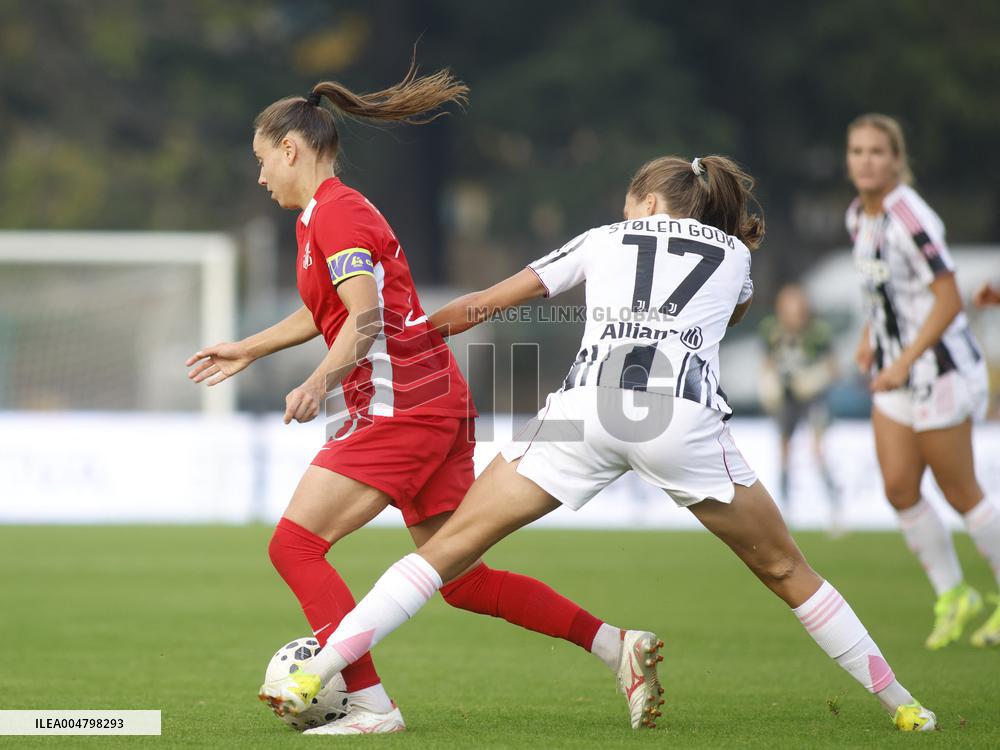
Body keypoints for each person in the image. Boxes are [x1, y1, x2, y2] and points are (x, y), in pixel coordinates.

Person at [263, 155, 938, 732]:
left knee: (445, 553)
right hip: (679, 417)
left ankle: (319, 673)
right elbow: (726, 315)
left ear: (648, 204)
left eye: (629, 204)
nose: (625, 213)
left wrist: (420, 333)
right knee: (787, 569)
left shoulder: (604, 239)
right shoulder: (737, 256)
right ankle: (904, 706)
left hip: (585, 410)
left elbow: (485, 304)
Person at [187, 60, 658, 735]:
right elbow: (329, 311)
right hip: (433, 401)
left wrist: (319, 380)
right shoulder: (324, 217)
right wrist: (249, 348)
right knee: (460, 579)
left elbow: (365, 318)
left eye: (262, 160)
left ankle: (371, 705)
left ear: (290, 149)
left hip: (401, 406)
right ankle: (617, 646)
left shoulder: (338, 215)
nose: (260, 177)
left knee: (294, 546)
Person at [845, 113, 1000, 650]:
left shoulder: (910, 217)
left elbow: (948, 298)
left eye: (877, 151)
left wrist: (904, 362)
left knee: (960, 491)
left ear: (896, 159)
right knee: (899, 488)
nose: (866, 161)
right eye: (857, 151)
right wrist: (869, 337)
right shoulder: (857, 217)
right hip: (895, 375)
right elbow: (884, 294)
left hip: (939, 371)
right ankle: (955, 594)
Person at [758, 283, 840, 521]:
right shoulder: (771, 330)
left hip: (812, 396)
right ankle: (785, 506)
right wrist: (768, 384)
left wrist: (814, 378)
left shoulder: (817, 332)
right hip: (787, 395)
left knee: (817, 449)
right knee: (784, 447)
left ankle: (834, 505)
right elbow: (767, 363)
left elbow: (833, 368)